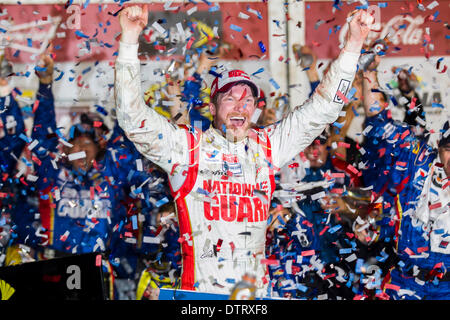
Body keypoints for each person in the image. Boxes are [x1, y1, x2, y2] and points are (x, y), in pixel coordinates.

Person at [114, 4, 374, 296]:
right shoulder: (187, 148)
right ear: (212, 108)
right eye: (229, 98)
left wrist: (353, 44)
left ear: (255, 109)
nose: (240, 105)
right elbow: (132, 118)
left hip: (255, 295)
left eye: (247, 99)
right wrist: (130, 39)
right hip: (201, 296)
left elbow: (325, 108)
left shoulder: (268, 146)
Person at [359, 52, 450, 300]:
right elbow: (379, 123)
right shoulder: (418, 160)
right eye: (449, 149)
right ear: (439, 147)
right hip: (406, 281)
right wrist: (369, 74)